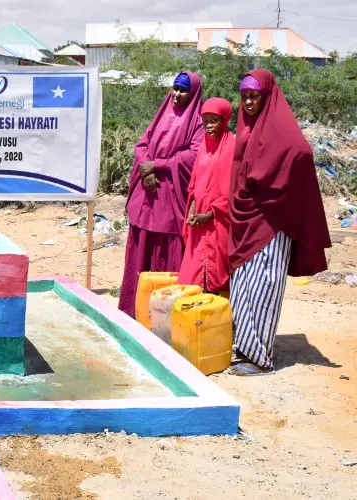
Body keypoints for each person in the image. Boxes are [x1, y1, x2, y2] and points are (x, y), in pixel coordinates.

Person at [227, 69, 331, 376]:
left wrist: (271, 184)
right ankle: (245, 346)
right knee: (243, 281)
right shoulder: (247, 128)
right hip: (245, 218)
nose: (247, 102)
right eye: (244, 96)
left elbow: (300, 153)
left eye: (254, 96)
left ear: (267, 96)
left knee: (265, 284)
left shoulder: (281, 130)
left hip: (272, 221)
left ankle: (261, 358)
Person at [118, 72, 205, 317]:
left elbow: (193, 155)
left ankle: (162, 317)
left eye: (183, 90)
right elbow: (142, 145)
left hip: (169, 200)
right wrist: (146, 168)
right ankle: (134, 311)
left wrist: (159, 165)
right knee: (141, 252)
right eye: (175, 88)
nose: (177, 94)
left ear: (193, 93)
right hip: (148, 197)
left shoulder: (197, 123)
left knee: (167, 255)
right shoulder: (162, 113)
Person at [178, 97, 234, 294]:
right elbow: (194, 183)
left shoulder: (232, 147)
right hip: (198, 220)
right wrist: (192, 211)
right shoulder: (203, 146)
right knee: (195, 276)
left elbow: (233, 191)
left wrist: (210, 215)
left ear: (225, 120)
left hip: (219, 220)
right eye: (206, 120)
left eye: (215, 120)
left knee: (218, 272)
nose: (209, 126)